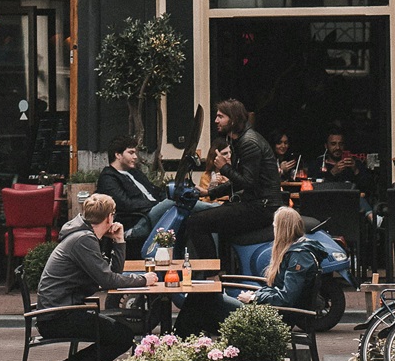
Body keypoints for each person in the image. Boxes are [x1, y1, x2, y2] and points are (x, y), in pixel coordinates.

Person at [35, 194, 157, 361]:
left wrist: (119, 241)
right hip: (57, 317)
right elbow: (109, 280)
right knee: (121, 336)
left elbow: (111, 274)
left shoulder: (85, 237)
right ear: (110, 218)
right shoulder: (83, 240)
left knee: (119, 334)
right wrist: (143, 280)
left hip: (63, 311)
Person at [175, 206, 320, 336]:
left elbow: (286, 298)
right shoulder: (296, 253)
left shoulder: (299, 257)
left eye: (275, 226)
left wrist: (254, 298)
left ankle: (177, 345)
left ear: (282, 229)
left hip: (275, 319)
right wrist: (257, 294)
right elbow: (280, 291)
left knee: (204, 301)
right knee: (199, 301)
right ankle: (181, 345)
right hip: (271, 311)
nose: (273, 230)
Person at [178, 99, 281, 267]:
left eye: (220, 116)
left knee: (195, 222)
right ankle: (226, 270)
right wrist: (209, 193)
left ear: (232, 119)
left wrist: (224, 168)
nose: (216, 121)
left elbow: (247, 182)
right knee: (217, 219)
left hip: (261, 207)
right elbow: (241, 181)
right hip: (258, 204)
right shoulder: (241, 140)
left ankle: (212, 274)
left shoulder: (249, 143)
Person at [96, 135, 174, 253]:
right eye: (131, 153)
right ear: (118, 155)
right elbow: (125, 204)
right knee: (175, 202)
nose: (135, 157)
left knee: (183, 207)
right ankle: (211, 207)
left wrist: (164, 197)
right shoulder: (108, 178)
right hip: (138, 220)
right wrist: (156, 205)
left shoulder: (135, 173)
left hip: (152, 212)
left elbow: (155, 191)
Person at [314, 128, 376, 220]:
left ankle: (374, 220)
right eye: (333, 144)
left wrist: (355, 170)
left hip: (351, 208)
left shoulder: (354, 163)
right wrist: (332, 173)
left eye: (341, 144)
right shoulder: (318, 163)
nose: (338, 148)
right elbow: (314, 187)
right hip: (326, 205)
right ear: (326, 146)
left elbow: (368, 187)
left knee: (354, 195)